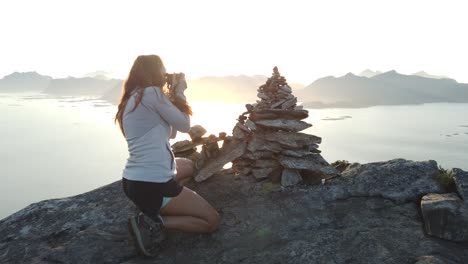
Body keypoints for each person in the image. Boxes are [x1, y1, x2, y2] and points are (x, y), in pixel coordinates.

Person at [114, 55, 220, 256]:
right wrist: (179, 92)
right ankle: (152, 222)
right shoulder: (152, 94)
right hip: (153, 185)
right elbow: (185, 125)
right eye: (163, 73)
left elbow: (171, 132)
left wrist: (170, 97)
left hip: (133, 181)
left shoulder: (133, 97)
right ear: (154, 73)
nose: (165, 77)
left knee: (188, 165)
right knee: (211, 221)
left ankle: (153, 208)